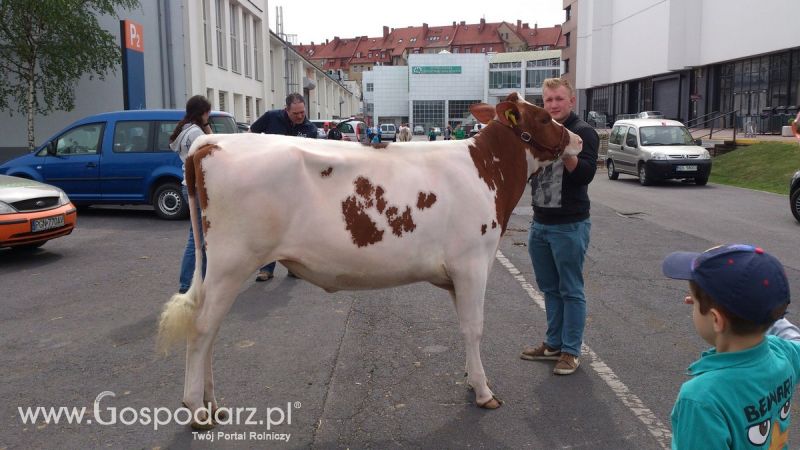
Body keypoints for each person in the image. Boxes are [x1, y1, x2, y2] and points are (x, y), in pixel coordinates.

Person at [662, 244, 800, 449]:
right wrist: (763, 311)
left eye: (697, 303)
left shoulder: (701, 398)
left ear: (716, 319)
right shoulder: (782, 352)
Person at [520, 78, 599, 375]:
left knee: (571, 289)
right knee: (550, 289)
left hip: (570, 224)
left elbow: (585, 176)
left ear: (571, 101)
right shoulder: (540, 131)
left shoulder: (583, 132)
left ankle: (570, 351)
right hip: (540, 222)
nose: (553, 105)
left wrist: (567, 150)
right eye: (548, 100)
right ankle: (553, 344)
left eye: (559, 99)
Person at [250, 93, 318, 281]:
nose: (300, 116)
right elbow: (252, 134)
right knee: (268, 227)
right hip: (270, 183)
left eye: (302, 112)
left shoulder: (310, 129)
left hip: (296, 186)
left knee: (294, 229)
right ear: (286, 110)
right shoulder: (271, 117)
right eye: (296, 113)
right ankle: (266, 268)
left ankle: (294, 268)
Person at [170, 95, 212, 294]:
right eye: (208, 112)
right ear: (202, 112)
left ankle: (196, 283)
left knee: (198, 238)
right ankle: (188, 285)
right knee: (197, 239)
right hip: (197, 188)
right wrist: (208, 130)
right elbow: (212, 153)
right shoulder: (196, 133)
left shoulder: (185, 130)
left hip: (188, 186)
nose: (209, 116)